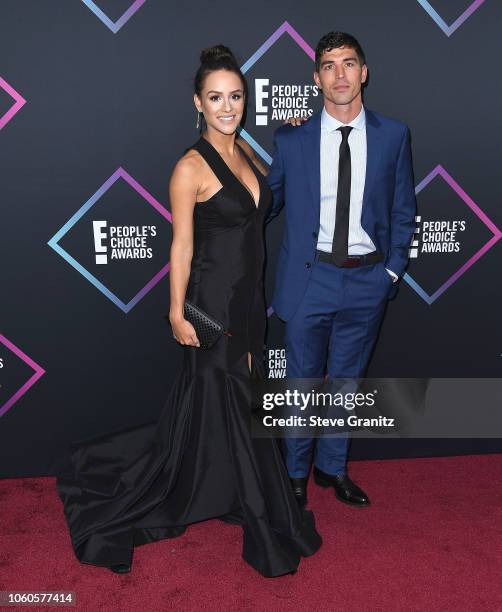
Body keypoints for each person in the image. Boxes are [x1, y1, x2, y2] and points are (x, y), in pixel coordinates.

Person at [56, 45, 321, 577]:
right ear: (197, 102)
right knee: (238, 405)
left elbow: (267, 201)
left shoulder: (247, 153)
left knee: (230, 405)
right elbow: (179, 246)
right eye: (216, 98)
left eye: (237, 96)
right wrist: (176, 312)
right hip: (211, 306)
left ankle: (214, 486)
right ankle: (259, 515)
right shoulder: (189, 166)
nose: (228, 107)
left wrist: (294, 131)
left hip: (249, 303)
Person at [265, 31, 417, 508]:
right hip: (311, 279)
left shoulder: (394, 135)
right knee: (302, 384)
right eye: (329, 66)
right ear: (316, 79)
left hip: (368, 280)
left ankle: (332, 469)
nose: (340, 74)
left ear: (364, 72)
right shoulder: (292, 139)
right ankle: (294, 476)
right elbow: (265, 203)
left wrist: (391, 272)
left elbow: (402, 209)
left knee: (347, 383)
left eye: (348, 63)